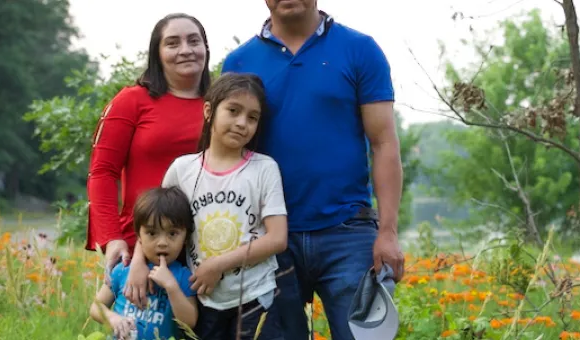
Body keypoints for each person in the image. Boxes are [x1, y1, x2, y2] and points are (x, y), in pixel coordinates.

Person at [220, 1, 406, 339]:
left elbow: (384, 143)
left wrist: (389, 232)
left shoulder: (360, 50)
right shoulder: (238, 63)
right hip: (268, 238)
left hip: (348, 233)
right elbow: (228, 152)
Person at [130, 72, 288, 339]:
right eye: (233, 111)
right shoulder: (183, 170)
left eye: (252, 117)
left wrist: (217, 265)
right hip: (201, 299)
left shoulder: (264, 169)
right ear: (209, 111)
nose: (242, 123)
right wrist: (137, 262)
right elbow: (153, 221)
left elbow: (277, 238)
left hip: (254, 296)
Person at [85, 12, 211, 296]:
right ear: (157, 53)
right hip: (142, 246)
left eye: (194, 41)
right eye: (172, 43)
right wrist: (111, 239)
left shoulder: (220, 104)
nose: (185, 50)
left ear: (206, 48)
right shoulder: (131, 100)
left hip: (204, 247)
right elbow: (102, 173)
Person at [89, 187, 198, 340]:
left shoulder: (183, 276)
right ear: (138, 235)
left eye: (172, 233)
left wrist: (171, 287)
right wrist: (113, 319)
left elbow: (190, 322)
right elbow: (96, 307)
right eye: (152, 233)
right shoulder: (123, 270)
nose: (162, 243)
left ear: (186, 237)